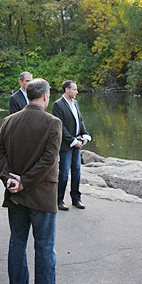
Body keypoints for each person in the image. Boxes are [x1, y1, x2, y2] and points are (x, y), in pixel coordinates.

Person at [0, 78, 63, 284]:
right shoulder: (53, 123)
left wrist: (10, 179)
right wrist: (26, 182)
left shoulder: (9, 120)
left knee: (17, 243)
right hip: (41, 196)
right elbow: (49, 159)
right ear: (45, 96)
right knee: (44, 248)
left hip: (15, 195)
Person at [51, 80, 90, 210]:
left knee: (77, 172)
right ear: (67, 90)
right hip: (66, 145)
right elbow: (60, 126)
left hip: (77, 143)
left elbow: (80, 120)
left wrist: (85, 135)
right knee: (63, 174)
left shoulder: (76, 103)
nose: (77, 92)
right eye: (74, 89)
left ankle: (76, 199)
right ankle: (59, 200)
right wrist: (73, 141)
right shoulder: (58, 105)